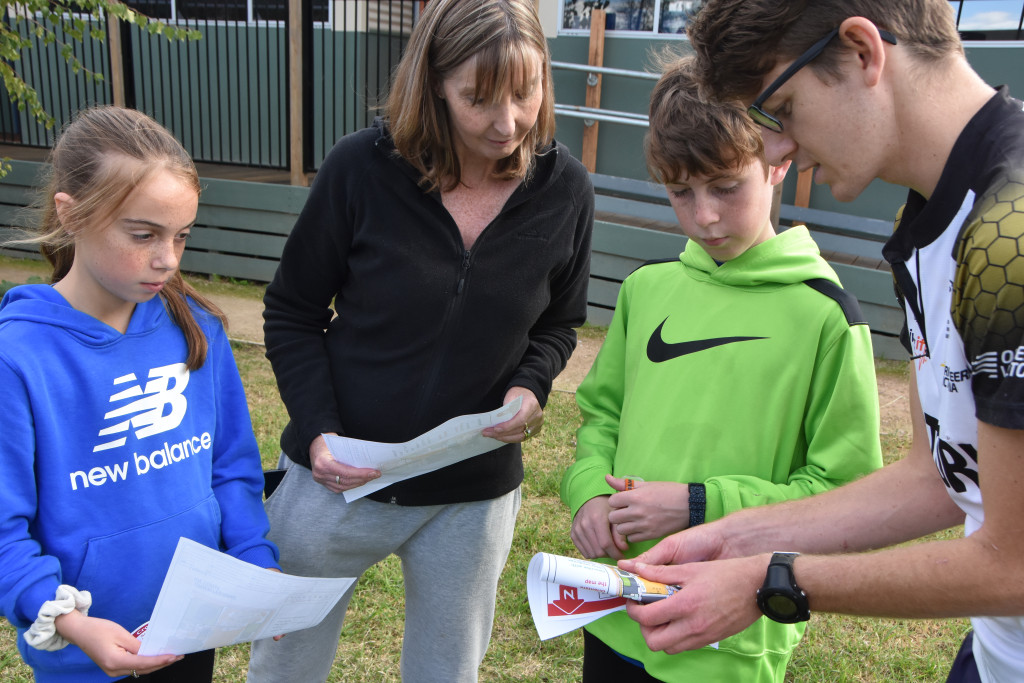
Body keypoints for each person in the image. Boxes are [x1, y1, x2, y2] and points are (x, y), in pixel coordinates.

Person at [619, 2, 1024, 681]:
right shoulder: (932, 217)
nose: (777, 149)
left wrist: (771, 577)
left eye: (782, 110)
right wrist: (735, 536)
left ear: (863, 51)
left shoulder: (1008, 231)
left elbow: (1014, 564)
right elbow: (939, 478)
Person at [245, 0, 594, 680]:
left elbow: (559, 321)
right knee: (285, 667)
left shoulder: (566, 189)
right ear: (435, 81)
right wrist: (318, 433)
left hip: (473, 491)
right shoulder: (359, 168)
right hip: (337, 480)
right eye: (480, 98)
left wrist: (531, 383)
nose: (508, 122)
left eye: (526, 93)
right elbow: (292, 310)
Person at [560, 55, 883, 683]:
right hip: (614, 608)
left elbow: (844, 494)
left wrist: (699, 505)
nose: (702, 215)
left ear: (778, 160)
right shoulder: (646, 289)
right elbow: (603, 417)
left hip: (727, 638)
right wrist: (590, 493)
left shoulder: (826, 315)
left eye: (726, 187)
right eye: (681, 192)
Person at [0, 106, 281, 683]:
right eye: (144, 235)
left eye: (181, 236)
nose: (168, 260)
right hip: (83, 648)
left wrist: (255, 560)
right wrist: (72, 622)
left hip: (189, 626)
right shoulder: (18, 357)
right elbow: (4, 529)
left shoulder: (197, 327)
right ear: (71, 215)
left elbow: (229, 467)